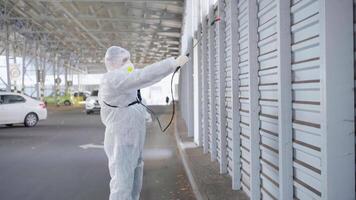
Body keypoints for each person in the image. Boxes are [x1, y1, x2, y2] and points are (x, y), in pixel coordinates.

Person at [99, 46, 189, 200]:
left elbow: (132, 101)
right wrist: (171, 64)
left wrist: (143, 113)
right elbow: (144, 76)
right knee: (122, 183)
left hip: (131, 138)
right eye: (125, 60)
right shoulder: (112, 79)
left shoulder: (123, 81)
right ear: (113, 62)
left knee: (134, 180)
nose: (129, 63)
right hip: (122, 140)